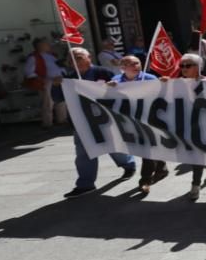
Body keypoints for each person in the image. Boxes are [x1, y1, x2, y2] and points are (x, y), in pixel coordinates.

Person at [64, 48, 137, 198]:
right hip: (81, 121)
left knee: (114, 146)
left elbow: (120, 91)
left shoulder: (103, 72)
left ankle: (128, 164)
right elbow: (58, 97)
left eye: (78, 57)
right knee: (84, 153)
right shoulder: (68, 77)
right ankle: (85, 184)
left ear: (89, 57)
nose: (74, 61)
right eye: (70, 58)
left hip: (105, 119)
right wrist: (57, 85)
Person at [160, 53, 206, 201]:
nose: (184, 68)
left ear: (198, 67)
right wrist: (163, 85)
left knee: (201, 153)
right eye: (182, 66)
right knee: (196, 154)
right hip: (187, 125)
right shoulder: (176, 83)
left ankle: (198, 182)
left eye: (188, 65)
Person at [107, 55, 167, 193]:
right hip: (129, 120)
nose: (136, 66)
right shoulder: (116, 81)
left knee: (147, 149)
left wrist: (163, 83)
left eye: (137, 63)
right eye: (131, 64)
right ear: (123, 67)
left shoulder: (150, 78)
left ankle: (145, 180)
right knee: (147, 148)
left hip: (149, 119)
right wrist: (108, 88)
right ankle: (161, 168)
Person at [23, 37, 66, 128]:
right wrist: (43, 79)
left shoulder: (52, 56)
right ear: (39, 46)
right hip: (47, 82)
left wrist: (62, 74)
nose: (49, 45)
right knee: (47, 103)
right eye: (46, 44)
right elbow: (29, 72)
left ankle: (62, 120)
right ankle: (47, 123)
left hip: (59, 80)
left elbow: (60, 67)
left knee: (60, 101)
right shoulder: (33, 57)